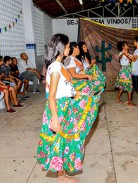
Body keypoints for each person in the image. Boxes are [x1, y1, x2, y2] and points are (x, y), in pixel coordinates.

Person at [37, 34, 99, 183]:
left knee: (62, 142)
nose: (69, 48)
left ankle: (62, 175)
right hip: (58, 108)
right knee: (59, 142)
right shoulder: (56, 68)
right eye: (67, 46)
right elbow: (51, 96)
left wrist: (78, 92)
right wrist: (56, 119)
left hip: (64, 105)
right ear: (60, 48)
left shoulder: (59, 64)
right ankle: (61, 178)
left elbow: (64, 88)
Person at [126, 35, 138, 107]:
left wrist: (127, 55)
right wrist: (129, 55)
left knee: (137, 87)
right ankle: (129, 101)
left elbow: (134, 59)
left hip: (136, 71)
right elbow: (134, 58)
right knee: (133, 86)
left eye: (134, 41)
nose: (133, 42)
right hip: (135, 70)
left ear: (137, 42)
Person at [114, 41, 134, 106]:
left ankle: (117, 98)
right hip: (124, 70)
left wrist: (128, 56)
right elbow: (119, 58)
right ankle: (129, 102)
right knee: (129, 85)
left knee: (123, 86)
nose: (128, 46)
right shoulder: (121, 53)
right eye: (126, 45)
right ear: (123, 47)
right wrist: (123, 53)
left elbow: (132, 60)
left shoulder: (129, 54)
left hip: (127, 69)